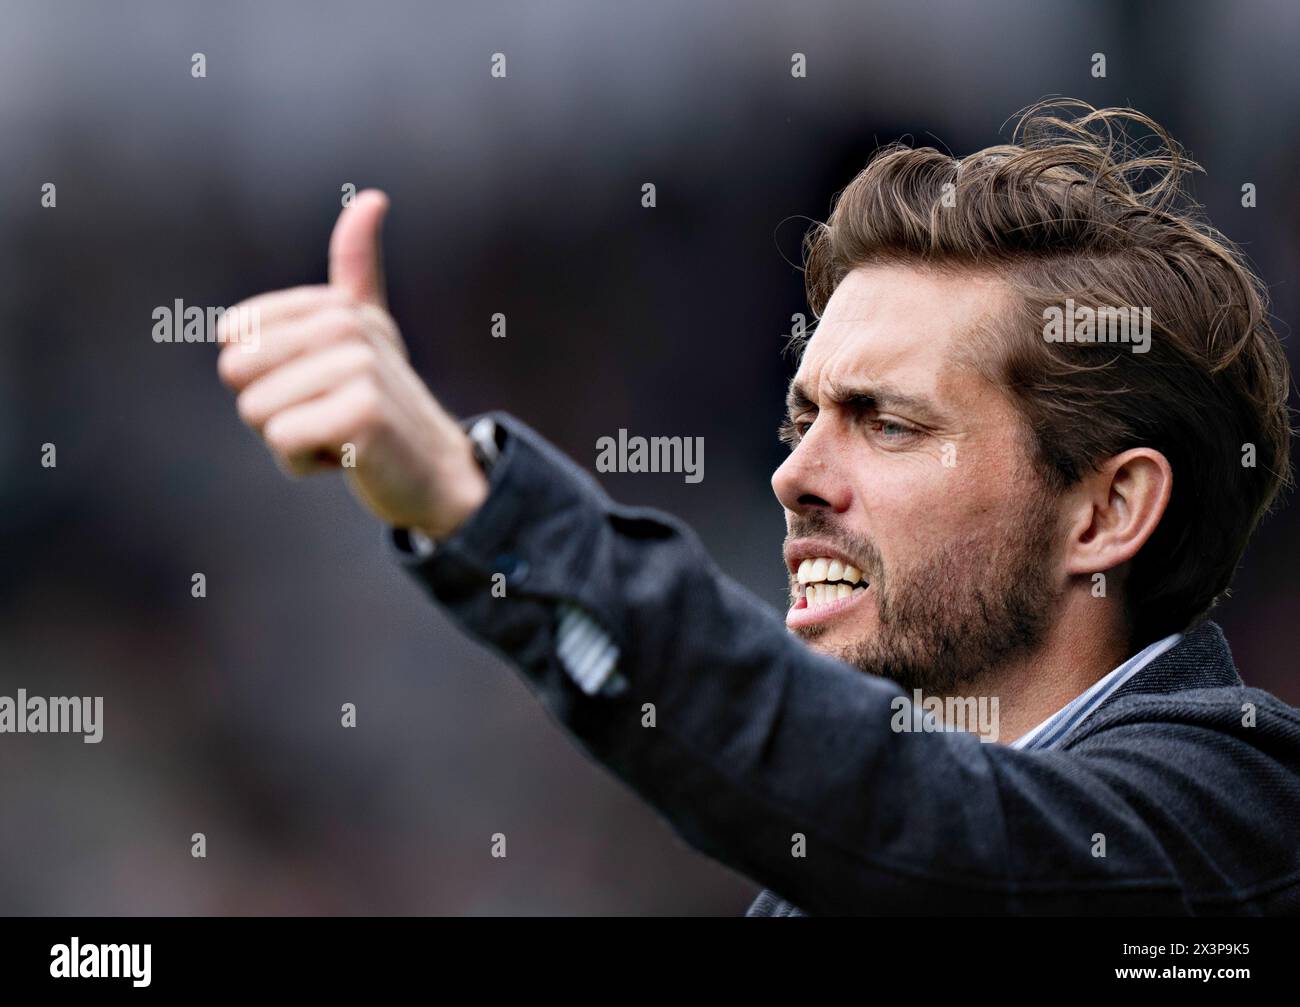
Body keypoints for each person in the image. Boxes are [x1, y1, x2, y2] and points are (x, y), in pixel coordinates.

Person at [217, 100, 1300, 915]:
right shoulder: (819, 884)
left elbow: (924, 821)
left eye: (886, 423)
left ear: (1106, 513)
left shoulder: (1239, 821)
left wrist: (478, 502)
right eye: (803, 416)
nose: (794, 474)